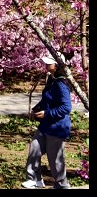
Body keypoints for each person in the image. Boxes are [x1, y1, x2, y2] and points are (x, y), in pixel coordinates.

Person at [23, 53, 73, 189]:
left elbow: (66, 108)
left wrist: (47, 114)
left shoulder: (61, 84)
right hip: (46, 125)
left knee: (55, 159)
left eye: (48, 63)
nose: (45, 65)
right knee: (35, 147)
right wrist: (36, 110)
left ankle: (62, 185)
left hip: (57, 127)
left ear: (56, 66)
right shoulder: (52, 79)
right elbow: (47, 99)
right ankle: (34, 179)